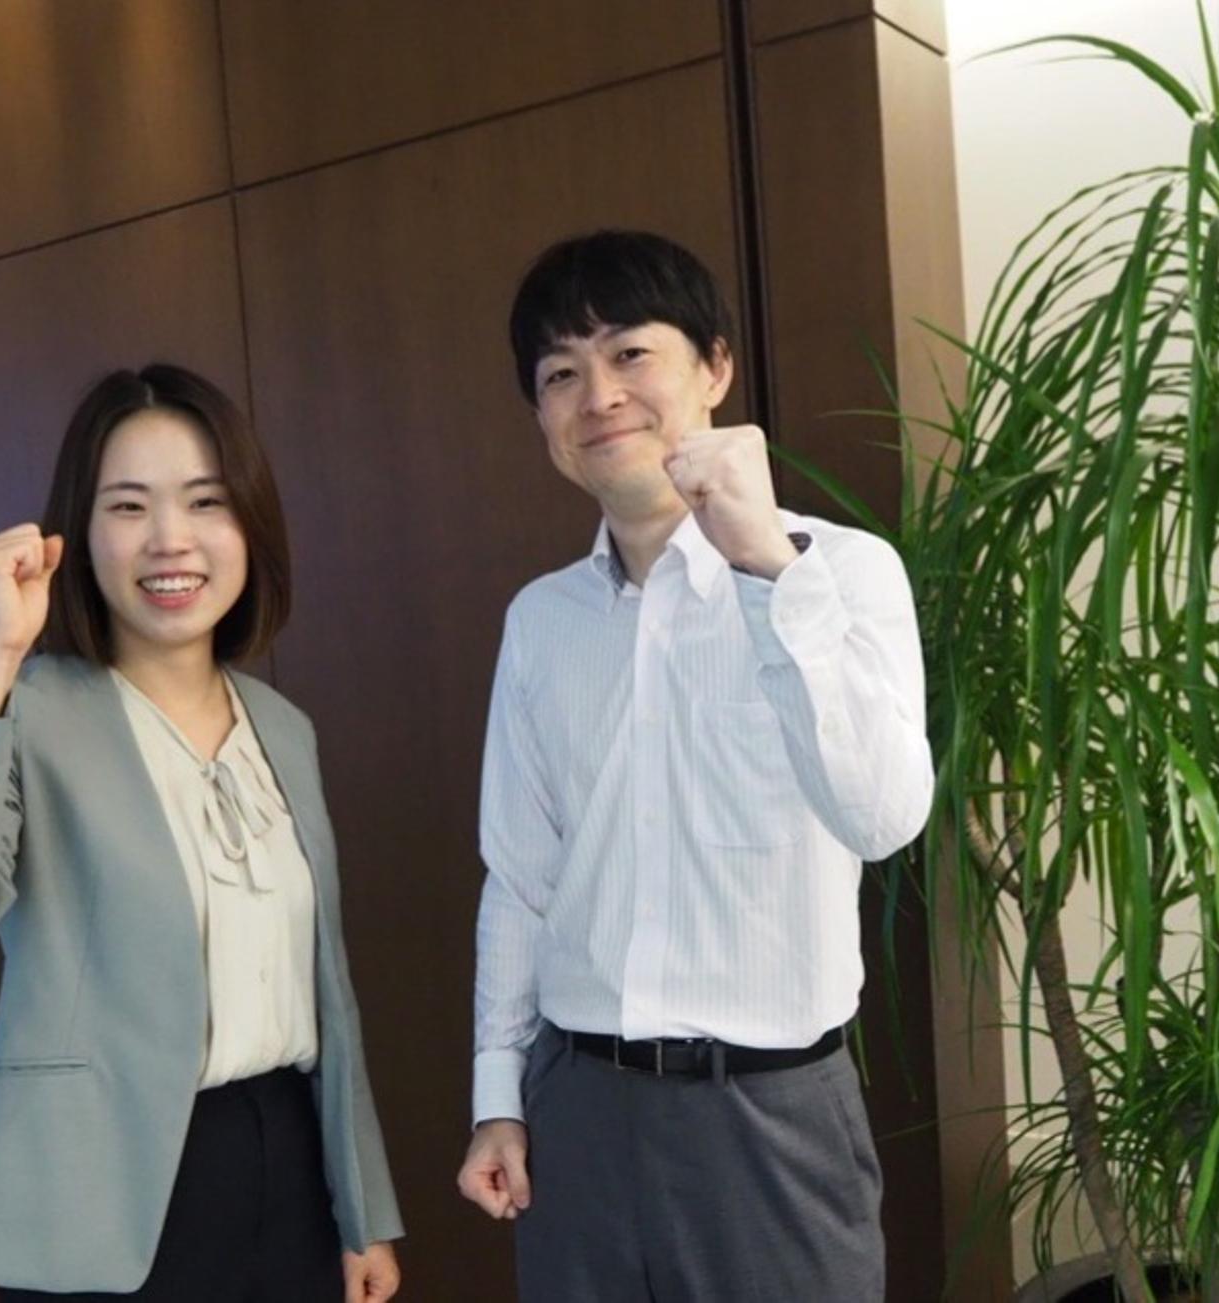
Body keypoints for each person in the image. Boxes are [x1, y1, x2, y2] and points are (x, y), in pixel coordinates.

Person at [454, 230, 933, 1301]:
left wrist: (768, 568)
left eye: (631, 353)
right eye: (560, 373)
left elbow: (882, 818)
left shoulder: (843, 572)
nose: (599, 396)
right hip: (578, 1108)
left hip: (767, 1115)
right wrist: (498, 1096)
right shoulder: (541, 621)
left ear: (714, 368)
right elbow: (520, 878)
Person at [0, 364, 403, 1301]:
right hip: (97, 1183)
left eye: (206, 501)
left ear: (250, 525)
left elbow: (331, 994)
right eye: (128, 506)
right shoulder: (24, 711)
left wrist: (365, 1212)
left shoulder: (284, 728)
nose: (171, 539)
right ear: (77, 534)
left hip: (286, 1164)